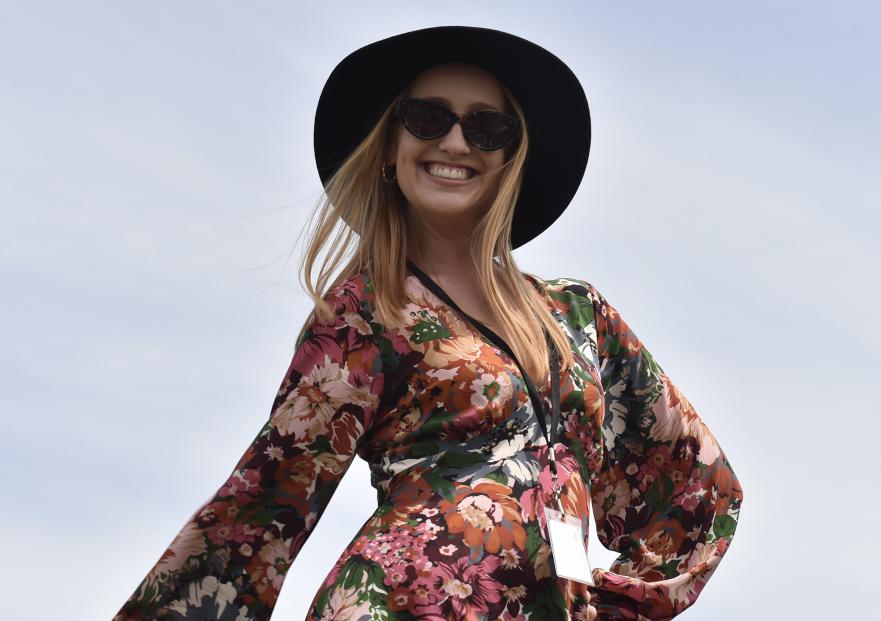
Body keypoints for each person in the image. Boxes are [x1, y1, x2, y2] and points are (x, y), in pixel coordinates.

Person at [113, 25, 744, 621]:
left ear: (512, 155)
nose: (454, 142)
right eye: (427, 117)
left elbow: (701, 485)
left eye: (487, 126)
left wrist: (616, 605)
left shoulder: (579, 315)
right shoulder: (364, 313)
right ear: (391, 145)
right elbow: (264, 505)